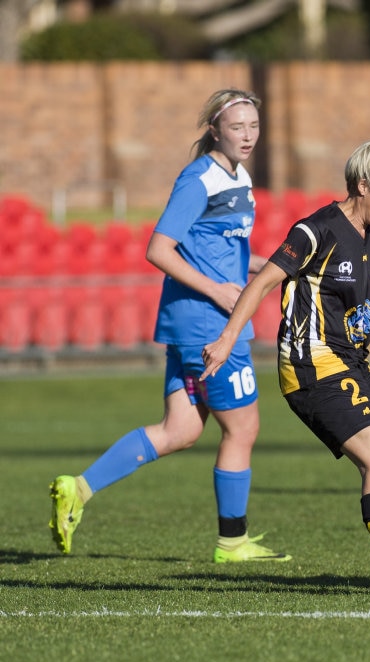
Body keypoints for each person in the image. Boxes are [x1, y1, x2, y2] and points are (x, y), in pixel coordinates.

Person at [200, 129, 370, 596]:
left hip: (354, 365)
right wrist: (226, 338)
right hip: (311, 365)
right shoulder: (315, 231)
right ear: (363, 185)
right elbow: (261, 284)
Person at [48, 89, 291, 563]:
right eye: (237, 126)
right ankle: (233, 542)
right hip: (210, 324)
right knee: (242, 430)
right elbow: (158, 249)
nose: (247, 135)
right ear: (215, 130)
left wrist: (278, 269)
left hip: (195, 322)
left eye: (254, 126)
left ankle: (77, 489)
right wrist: (219, 291)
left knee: (179, 430)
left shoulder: (237, 177)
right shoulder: (199, 179)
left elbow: (226, 255)